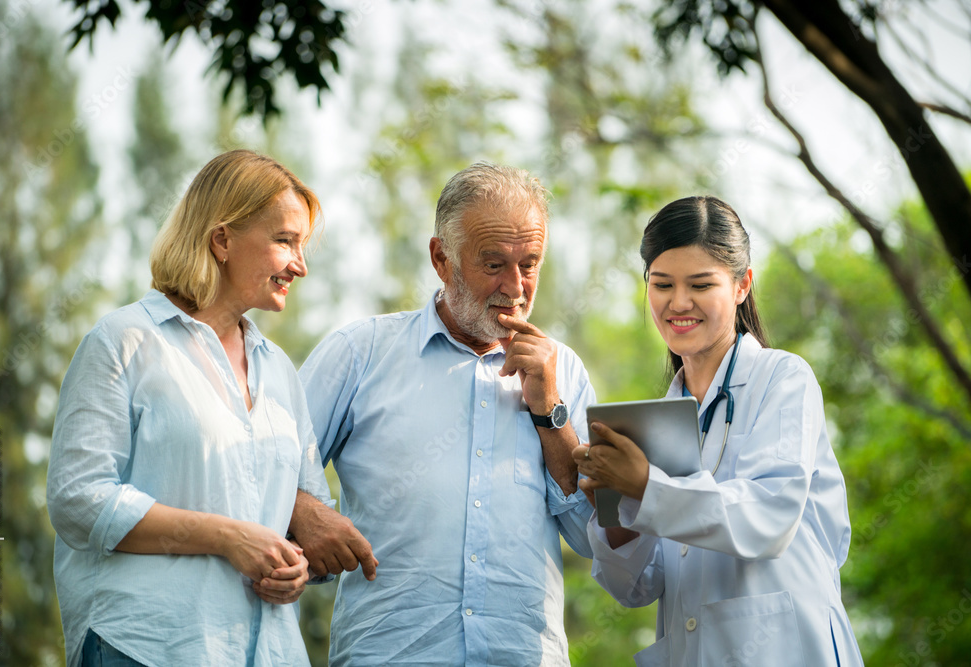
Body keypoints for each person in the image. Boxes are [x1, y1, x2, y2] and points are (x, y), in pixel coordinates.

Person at [296, 162, 597, 666]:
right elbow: (268, 471)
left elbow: (593, 537)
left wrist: (550, 411)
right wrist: (304, 507)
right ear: (441, 258)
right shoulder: (359, 353)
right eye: (493, 263)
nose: (516, 287)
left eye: (530, 263)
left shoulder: (562, 369)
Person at [47, 150, 338, 666]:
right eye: (284, 241)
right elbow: (79, 499)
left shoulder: (281, 373)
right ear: (222, 240)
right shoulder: (123, 342)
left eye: (301, 244)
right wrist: (226, 537)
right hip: (145, 648)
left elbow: (303, 519)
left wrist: (296, 567)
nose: (301, 264)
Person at [573, 195, 863, 666]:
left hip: (787, 648)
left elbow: (768, 519)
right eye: (662, 284)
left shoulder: (784, 379)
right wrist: (614, 510)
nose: (678, 302)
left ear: (743, 285)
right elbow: (635, 588)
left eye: (700, 284)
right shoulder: (654, 420)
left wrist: (645, 485)